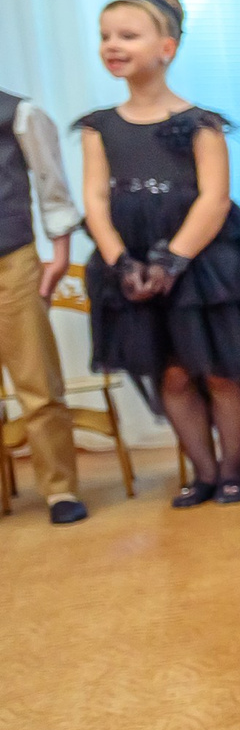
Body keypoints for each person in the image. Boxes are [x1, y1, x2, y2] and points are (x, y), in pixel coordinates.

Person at [75, 0, 240, 508]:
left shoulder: (200, 123)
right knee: (171, 372)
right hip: (130, 264)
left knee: (220, 369)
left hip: (203, 267)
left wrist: (172, 260)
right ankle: (203, 471)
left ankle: (235, 469)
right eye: (106, 36)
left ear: (166, 48)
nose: (113, 45)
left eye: (128, 35)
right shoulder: (97, 127)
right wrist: (121, 261)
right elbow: (95, 198)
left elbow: (214, 199)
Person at [0, 77, 85, 522]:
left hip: (10, 259)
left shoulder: (19, 112)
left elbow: (52, 182)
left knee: (36, 383)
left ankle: (59, 491)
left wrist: (61, 252)